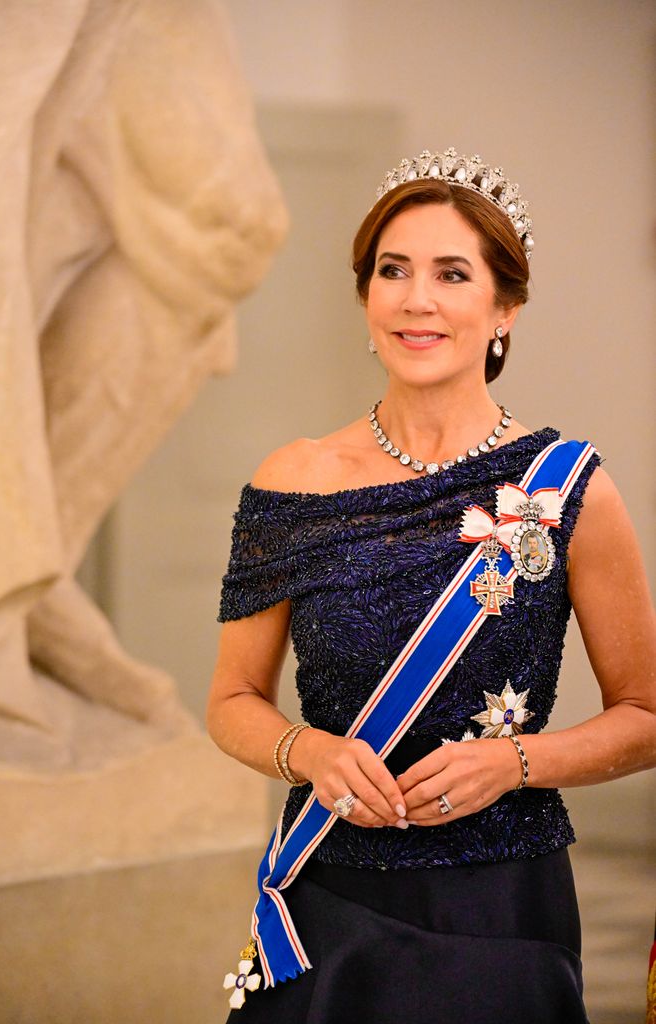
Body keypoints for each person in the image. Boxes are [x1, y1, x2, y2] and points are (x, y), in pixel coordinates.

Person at [206, 147, 656, 1022]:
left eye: (453, 274)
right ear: (366, 300)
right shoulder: (293, 481)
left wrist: (515, 763)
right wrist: (312, 752)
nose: (417, 298)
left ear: (504, 308)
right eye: (393, 271)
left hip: (501, 904)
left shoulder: (569, 491)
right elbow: (230, 699)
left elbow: (645, 716)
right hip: (327, 892)